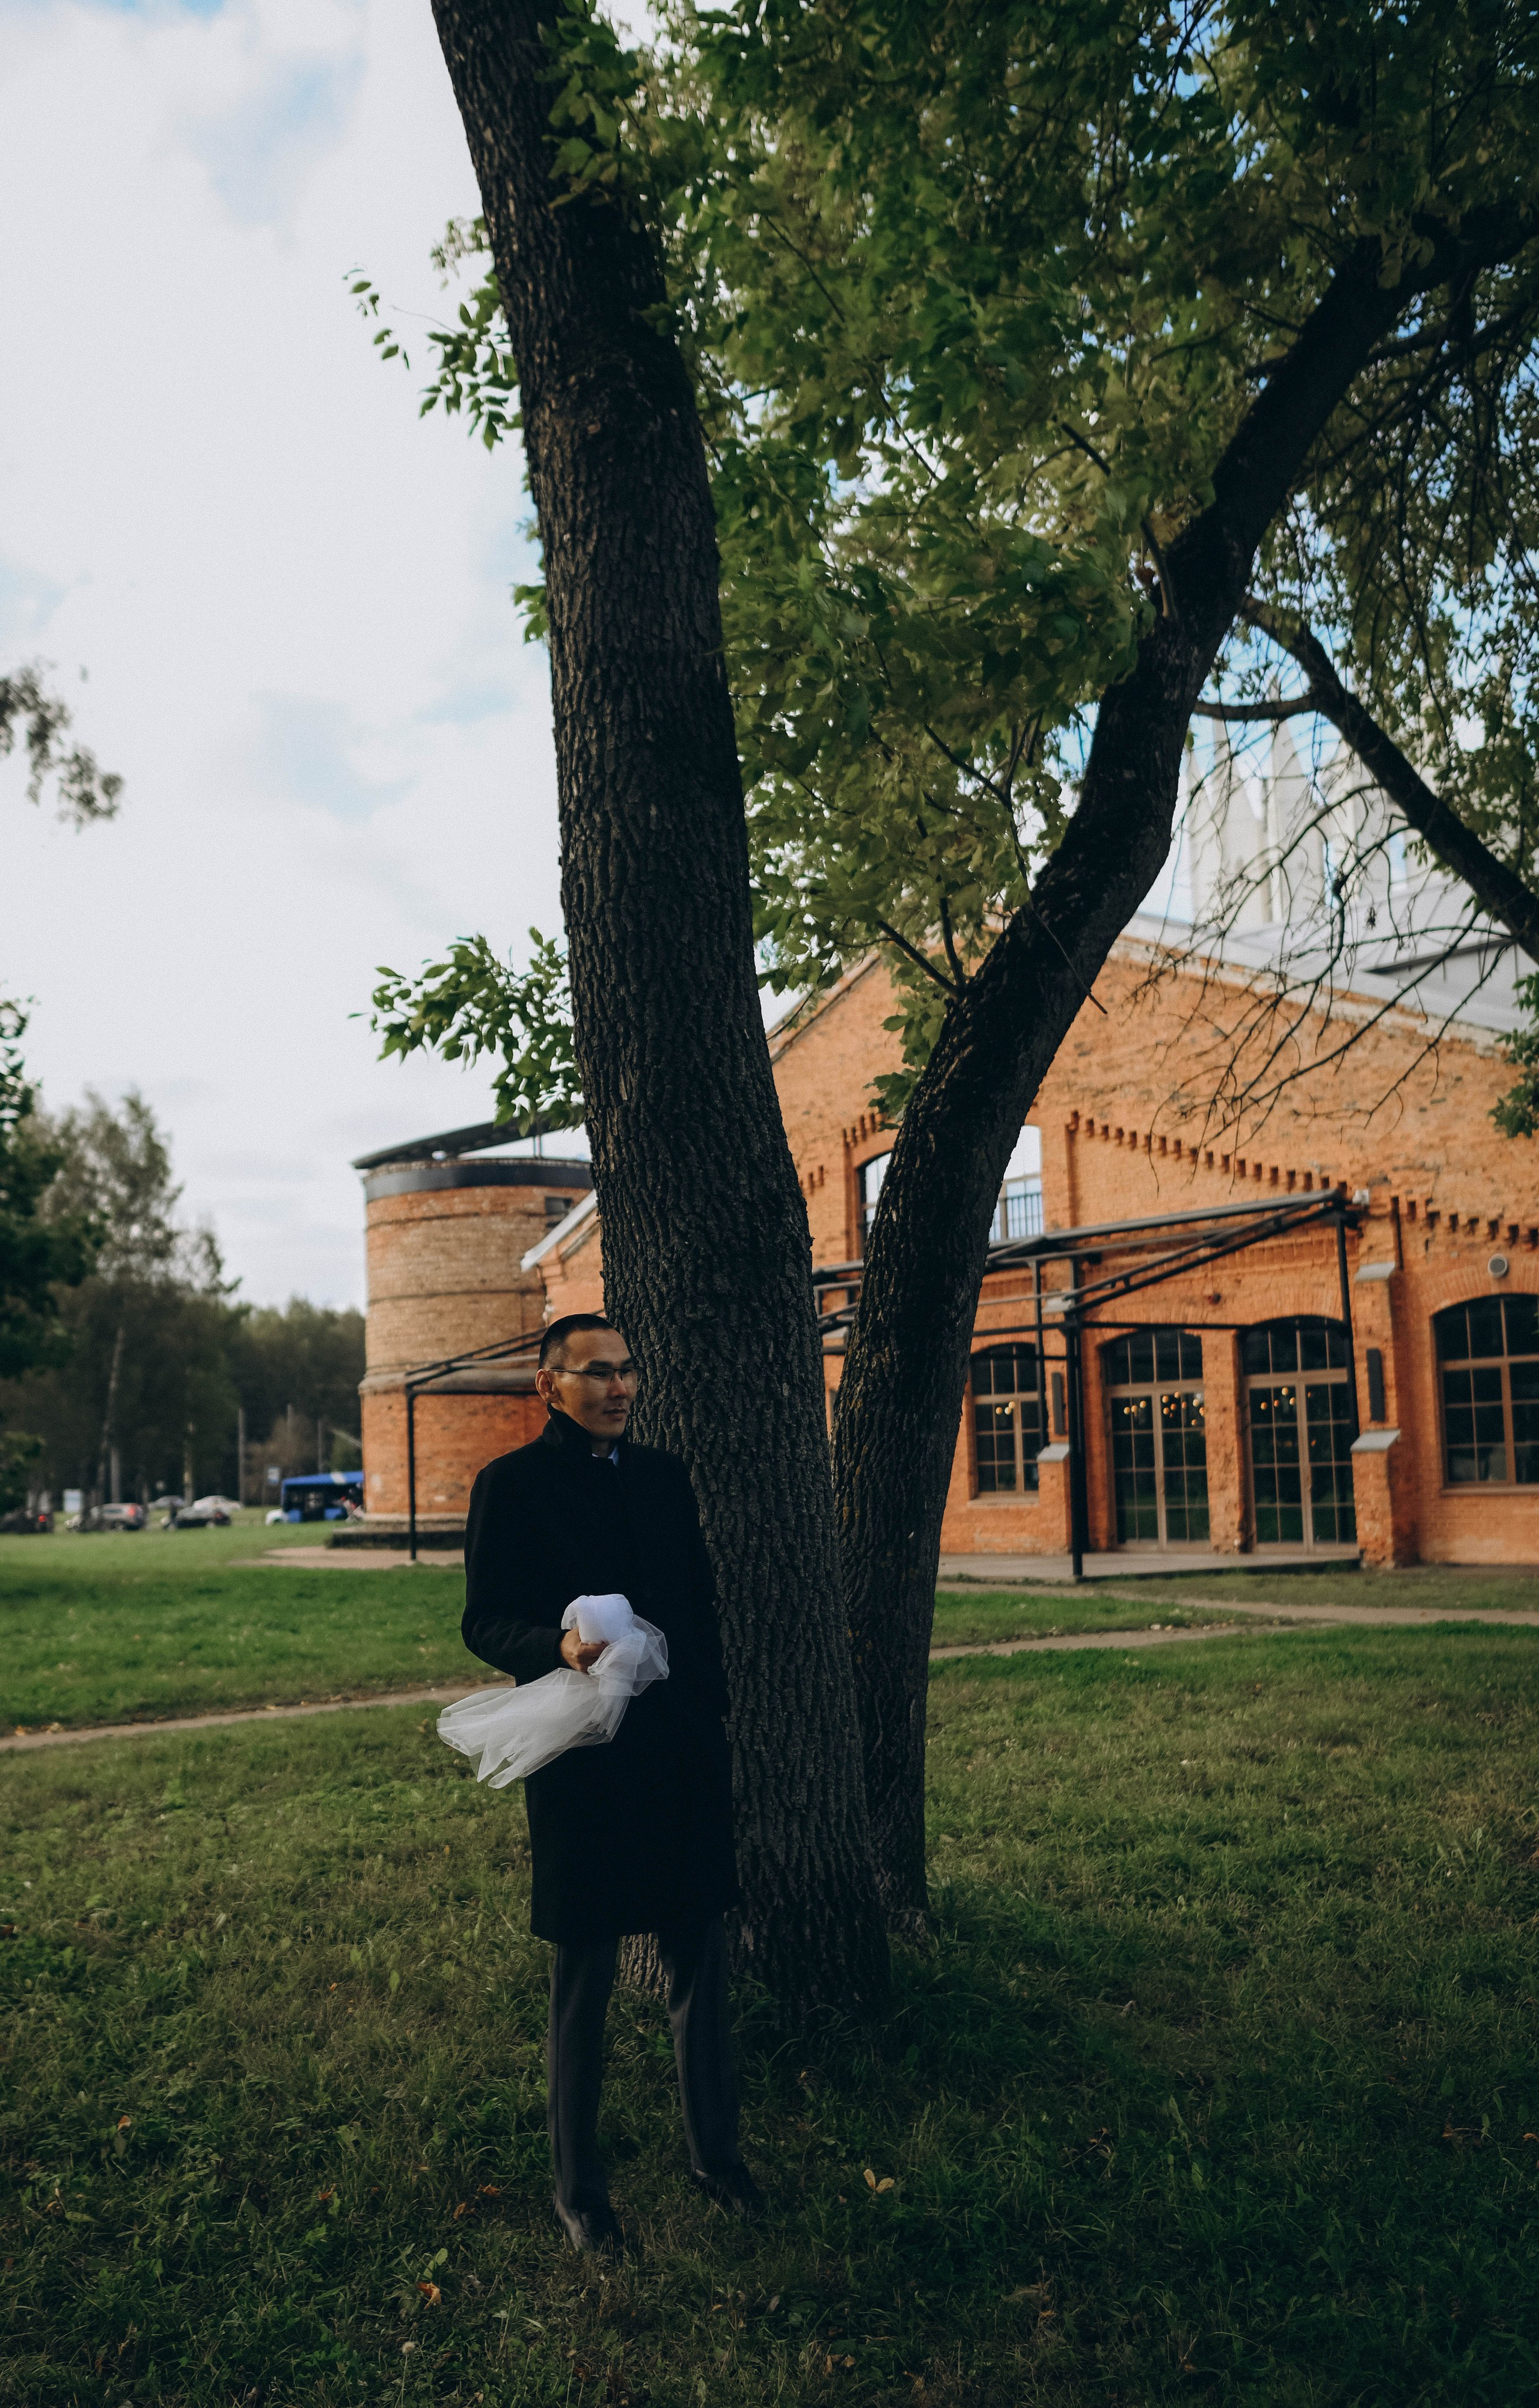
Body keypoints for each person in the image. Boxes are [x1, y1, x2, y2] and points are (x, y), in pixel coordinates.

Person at [462, 1311, 760, 2255]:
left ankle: (718, 2159)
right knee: (584, 1971)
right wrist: (552, 1645)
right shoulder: (507, 1486)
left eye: (629, 1370)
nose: (620, 1387)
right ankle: (580, 2192)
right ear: (549, 1384)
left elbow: (702, 1604)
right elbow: (482, 1621)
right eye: (598, 1373)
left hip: (678, 1752)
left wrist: (707, 1709)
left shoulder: (668, 1476)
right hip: (581, 1759)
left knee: (699, 1958)